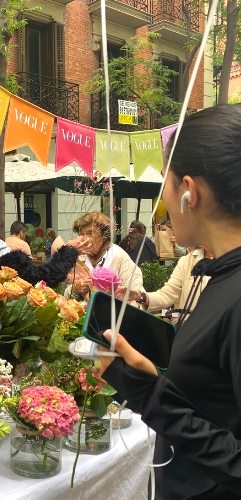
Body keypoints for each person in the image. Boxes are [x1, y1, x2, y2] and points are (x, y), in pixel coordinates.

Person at [98, 104, 241, 499]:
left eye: (166, 181)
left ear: (190, 193)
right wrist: (151, 379)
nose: (163, 196)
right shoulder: (217, 274)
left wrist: (150, 394)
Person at [116, 246, 213, 323]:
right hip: (192, 335)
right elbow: (167, 295)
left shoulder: (227, 260)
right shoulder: (187, 261)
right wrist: (139, 296)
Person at [64, 211, 145, 301]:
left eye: (90, 233)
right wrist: (75, 289)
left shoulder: (119, 257)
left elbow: (136, 295)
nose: (85, 239)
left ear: (105, 235)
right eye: (82, 234)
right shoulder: (80, 258)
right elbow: (67, 298)